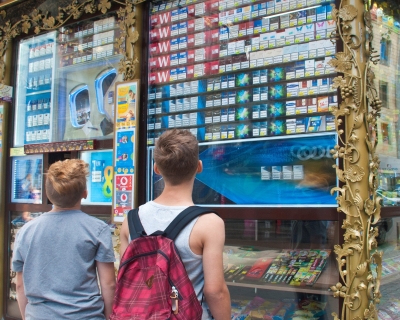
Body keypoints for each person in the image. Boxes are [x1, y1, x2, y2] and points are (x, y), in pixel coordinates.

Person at [119, 129, 231, 320]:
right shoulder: (209, 223)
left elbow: (126, 279)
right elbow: (215, 292)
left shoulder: (130, 220)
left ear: (156, 169)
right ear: (199, 166)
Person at [12, 159, 116, 320]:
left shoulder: (26, 232)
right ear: (85, 193)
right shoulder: (97, 229)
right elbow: (108, 284)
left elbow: (20, 285)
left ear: (47, 194)